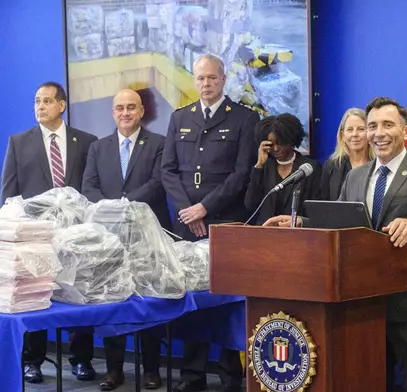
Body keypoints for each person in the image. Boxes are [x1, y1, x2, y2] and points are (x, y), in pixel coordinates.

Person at [265, 97, 407, 392]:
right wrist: (300, 222)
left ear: (405, 132)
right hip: (361, 304)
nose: (379, 133)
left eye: (388, 125)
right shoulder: (355, 176)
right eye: (373, 126)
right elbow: (337, 221)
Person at [161, 54, 259, 392]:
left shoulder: (245, 119)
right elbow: (168, 170)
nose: (205, 84)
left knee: (229, 301)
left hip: (226, 223)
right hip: (187, 226)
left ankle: (231, 376)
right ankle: (192, 376)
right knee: (193, 302)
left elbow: (241, 174)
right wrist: (189, 210)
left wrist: (205, 207)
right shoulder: (179, 118)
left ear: (223, 80)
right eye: (200, 79)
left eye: (212, 79)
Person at [1, 82, 98, 384]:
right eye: (36, 101)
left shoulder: (86, 141)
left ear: (62, 105)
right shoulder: (19, 142)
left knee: (79, 293)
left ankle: (81, 360)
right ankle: (33, 361)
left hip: (76, 234)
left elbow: (91, 188)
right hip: (35, 236)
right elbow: (8, 192)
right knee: (35, 294)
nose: (40, 107)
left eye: (46, 101)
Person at [81, 89, 168, 390]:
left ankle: (152, 370)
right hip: (109, 239)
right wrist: (111, 210)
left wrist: (125, 205)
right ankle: (114, 370)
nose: (125, 113)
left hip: (147, 236)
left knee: (149, 301)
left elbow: (158, 183)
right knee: (112, 301)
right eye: (119, 108)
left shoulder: (158, 144)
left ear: (142, 111)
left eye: (131, 107)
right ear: (113, 112)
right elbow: (88, 186)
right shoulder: (98, 147)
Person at [245, 113, 321, 225]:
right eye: (271, 144)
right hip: (266, 232)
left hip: (298, 234)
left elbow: (316, 209)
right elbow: (250, 204)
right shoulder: (264, 167)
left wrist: (300, 221)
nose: (276, 149)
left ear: (291, 140)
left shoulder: (309, 167)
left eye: (281, 143)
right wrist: (259, 165)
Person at [319, 108, 374, 201]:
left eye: (361, 129)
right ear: (343, 135)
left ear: (369, 133)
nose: (355, 134)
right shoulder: (332, 165)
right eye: (349, 129)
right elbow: (323, 202)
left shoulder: (379, 164)